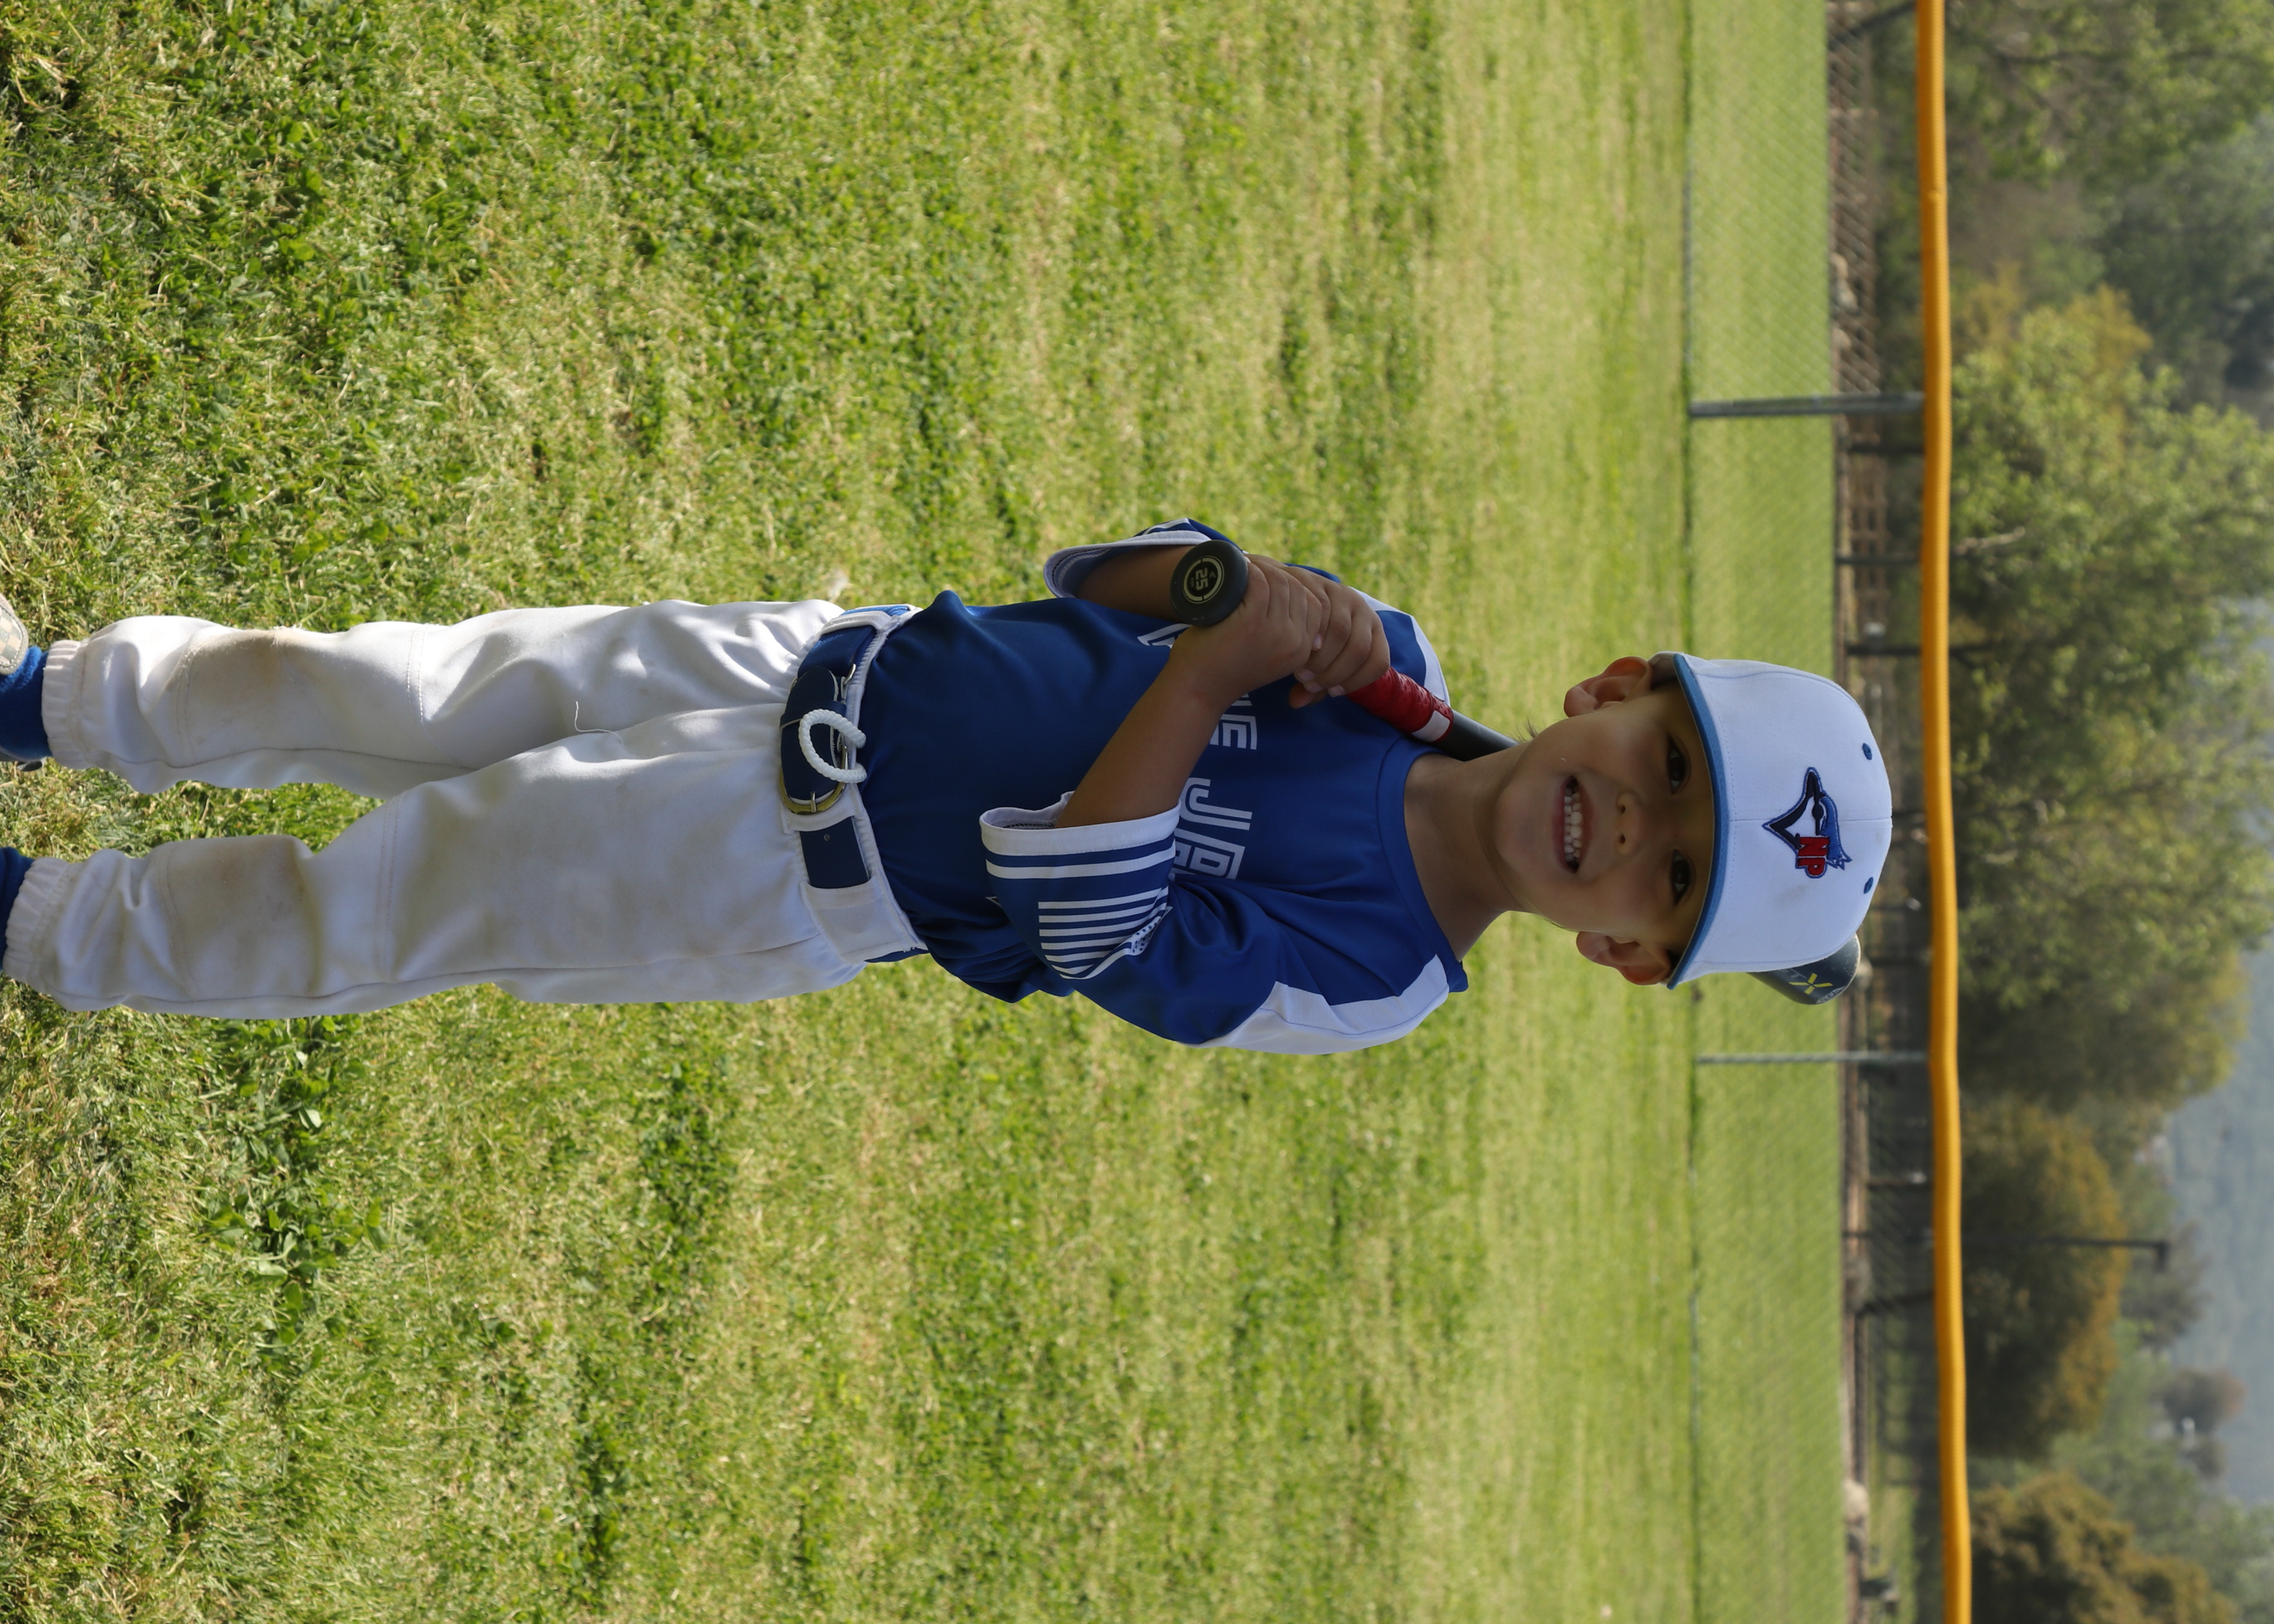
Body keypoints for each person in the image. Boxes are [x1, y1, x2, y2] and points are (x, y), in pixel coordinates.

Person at [0, 520, 1891, 1051]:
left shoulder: (1378, 972)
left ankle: (44, 922)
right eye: (1663, 766)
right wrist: (1242, 592)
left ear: (1621, 953)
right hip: (808, 660)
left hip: (780, 867)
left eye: (1665, 877)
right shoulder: (1377, 661)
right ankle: (54, 699)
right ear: (1612, 688)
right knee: (389, 684)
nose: (1627, 826)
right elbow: (1094, 580)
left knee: (396, 895)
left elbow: (1088, 922)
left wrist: (1213, 670)